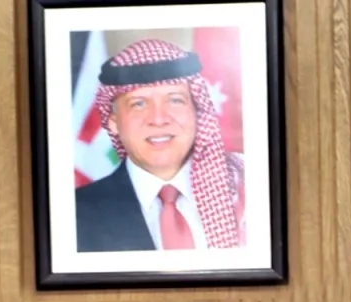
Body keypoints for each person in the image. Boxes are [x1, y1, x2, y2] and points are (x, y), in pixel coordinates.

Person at [75, 38, 246, 253]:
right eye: (139, 104)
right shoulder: (75, 214)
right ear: (114, 123)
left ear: (197, 113)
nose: (158, 119)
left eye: (175, 100)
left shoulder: (248, 188)